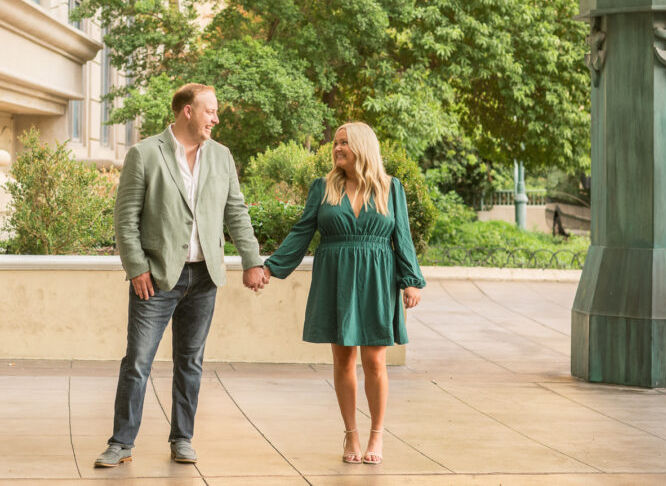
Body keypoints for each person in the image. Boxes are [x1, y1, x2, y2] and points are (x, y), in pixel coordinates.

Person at [95, 83, 268, 468]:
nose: (216, 118)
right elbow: (125, 220)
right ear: (187, 111)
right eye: (211, 111)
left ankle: (182, 438)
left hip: (205, 277)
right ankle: (121, 442)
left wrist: (252, 260)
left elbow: (235, 212)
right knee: (138, 361)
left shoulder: (221, 157)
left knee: (190, 361)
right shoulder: (144, 154)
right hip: (155, 279)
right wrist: (137, 267)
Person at [252, 122, 425, 466]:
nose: (337, 148)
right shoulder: (324, 187)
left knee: (375, 360)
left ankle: (377, 433)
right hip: (337, 279)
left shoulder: (391, 188)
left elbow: (401, 237)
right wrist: (270, 267)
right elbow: (302, 232)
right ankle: (352, 434)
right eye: (335, 142)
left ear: (362, 146)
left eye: (344, 142)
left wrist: (411, 280)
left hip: (377, 279)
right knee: (343, 360)